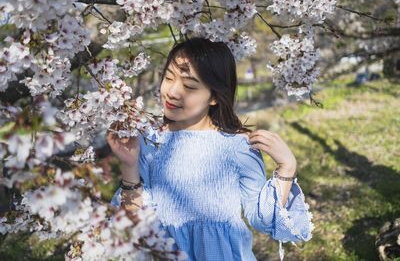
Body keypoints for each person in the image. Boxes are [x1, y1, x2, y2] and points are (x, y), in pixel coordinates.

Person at [107, 38, 313, 261]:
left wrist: (287, 167)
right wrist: (129, 165)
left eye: (189, 86)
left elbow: (262, 219)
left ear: (214, 96)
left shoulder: (237, 145)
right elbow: (133, 220)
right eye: (168, 78)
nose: (173, 92)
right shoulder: (150, 141)